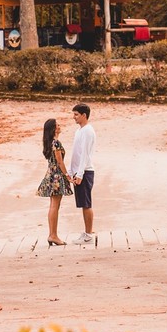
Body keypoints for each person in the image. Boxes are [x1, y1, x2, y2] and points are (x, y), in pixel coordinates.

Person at [35, 118, 72, 246]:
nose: (59, 126)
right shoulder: (56, 143)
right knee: (55, 206)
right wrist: (67, 175)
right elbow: (59, 161)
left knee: (53, 206)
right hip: (56, 176)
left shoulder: (50, 143)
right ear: (53, 129)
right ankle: (53, 235)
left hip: (50, 174)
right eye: (57, 125)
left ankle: (52, 234)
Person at [69, 103, 96, 243]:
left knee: (86, 203)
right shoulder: (79, 131)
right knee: (82, 203)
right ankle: (86, 232)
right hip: (78, 171)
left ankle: (89, 235)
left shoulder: (88, 131)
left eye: (76, 115)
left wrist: (79, 174)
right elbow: (75, 153)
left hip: (85, 171)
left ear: (84, 115)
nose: (74, 117)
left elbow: (85, 155)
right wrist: (70, 171)